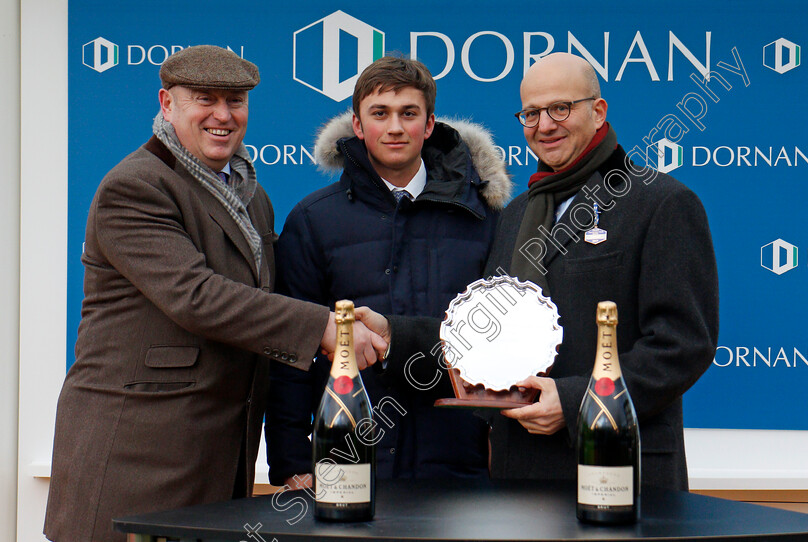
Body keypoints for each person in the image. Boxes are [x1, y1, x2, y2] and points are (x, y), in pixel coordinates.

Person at [44, 45, 384, 542]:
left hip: (220, 457)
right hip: (134, 459)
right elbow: (196, 296)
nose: (223, 115)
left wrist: (350, 325)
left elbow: (261, 302)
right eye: (205, 99)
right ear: (167, 102)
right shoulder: (135, 186)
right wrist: (322, 328)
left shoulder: (251, 194)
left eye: (236, 101)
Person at [360, 52, 719, 491]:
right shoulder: (516, 214)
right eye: (531, 113)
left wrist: (574, 403)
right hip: (520, 471)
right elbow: (488, 331)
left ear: (598, 110)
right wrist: (392, 333)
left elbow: (683, 344)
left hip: (619, 467)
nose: (545, 125)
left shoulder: (660, 203)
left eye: (560, 108)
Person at [264, 56, 511, 487]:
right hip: (348, 462)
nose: (395, 128)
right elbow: (290, 353)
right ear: (358, 126)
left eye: (408, 114)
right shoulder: (313, 219)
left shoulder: (482, 217)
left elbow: (503, 339)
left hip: (459, 463)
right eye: (380, 114)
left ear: (429, 125)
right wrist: (291, 461)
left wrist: (500, 444)